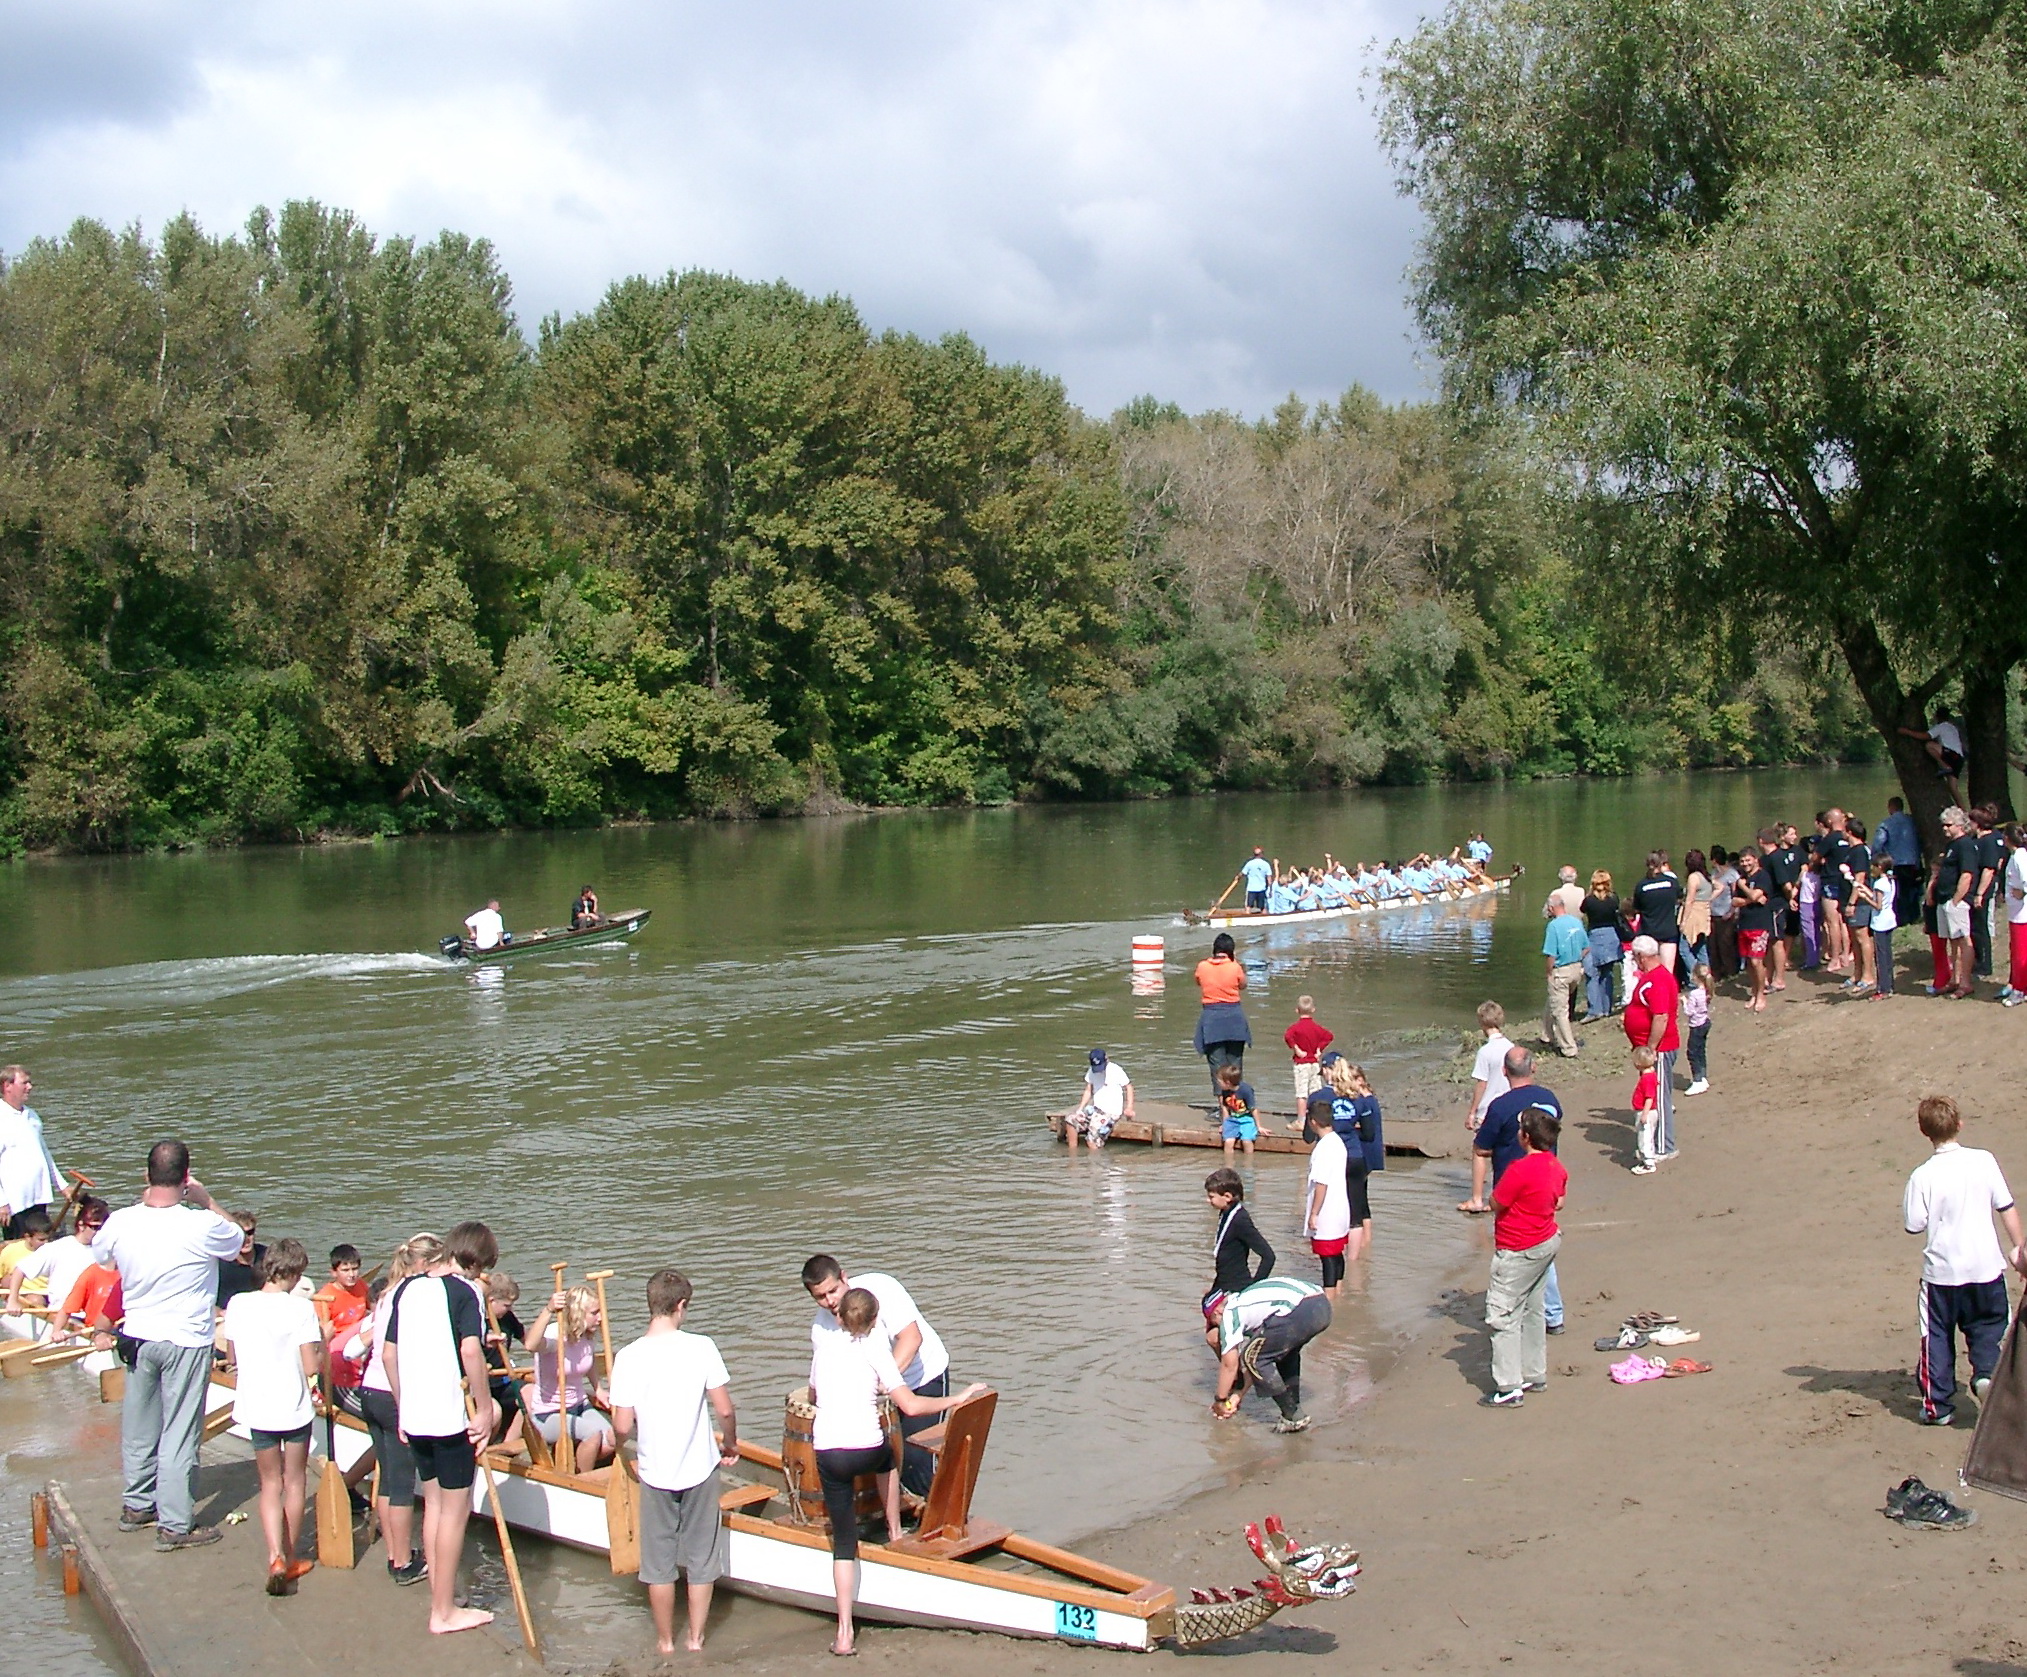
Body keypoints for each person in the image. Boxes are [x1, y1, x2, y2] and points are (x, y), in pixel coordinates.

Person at [810, 1287, 985, 1656]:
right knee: (888, 1458)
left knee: (844, 1543)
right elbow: (911, 1404)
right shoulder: (877, 1351)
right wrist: (957, 1398)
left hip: (828, 1453)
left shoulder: (823, 1349)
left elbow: (813, 1396)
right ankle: (893, 1531)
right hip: (867, 1449)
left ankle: (844, 1633)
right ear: (875, 1321)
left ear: (840, 1317)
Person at [96, 1140, 247, 1550]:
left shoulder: (121, 1221)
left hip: (139, 1336)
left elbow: (102, 1257)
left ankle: (137, 1504)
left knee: (140, 1426)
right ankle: (176, 1525)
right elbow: (238, 1242)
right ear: (185, 1178)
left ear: (147, 1176)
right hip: (185, 1338)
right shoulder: (201, 1223)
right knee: (179, 1433)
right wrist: (207, 1199)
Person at [608, 1269, 741, 1655]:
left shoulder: (629, 1356)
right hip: (699, 1466)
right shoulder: (701, 1347)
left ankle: (665, 1642)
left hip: (654, 1471)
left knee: (658, 1564)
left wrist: (620, 1450)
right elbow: (725, 1410)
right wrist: (730, 1443)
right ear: (681, 1306)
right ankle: (696, 1639)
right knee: (702, 1558)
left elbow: (621, 1424)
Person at [383, 1229, 498, 1635]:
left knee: (432, 1505)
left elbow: (388, 1353)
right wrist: (484, 1410)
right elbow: (471, 1351)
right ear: (477, 1263)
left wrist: (402, 1408)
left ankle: (440, 1593)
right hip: (448, 1420)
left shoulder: (405, 1289)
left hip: (413, 1418)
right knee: (454, 1511)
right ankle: (444, 1612)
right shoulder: (466, 1292)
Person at [1903, 1096, 2026, 1427]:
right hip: (1986, 1269)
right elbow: (2006, 1207)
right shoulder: (1983, 1161)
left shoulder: (1922, 1175)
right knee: (1989, 1330)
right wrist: (2021, 1249)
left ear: (1924, 1131)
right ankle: (1986, 1376)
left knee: (1937, 1337)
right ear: (1959, 1124)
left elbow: (1914, 1223)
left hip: (1942, 1274)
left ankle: (1938, 1406)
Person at [220, 1237, 323, 1595]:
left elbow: (232, 1356)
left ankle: (274, 1555)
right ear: (294, 1274)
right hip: (293, 1408)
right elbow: (311, 1365)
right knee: (295, 1481)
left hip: (257, 1407)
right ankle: (292, 1557)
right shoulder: (300, 1309)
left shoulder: (238, 1304)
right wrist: (323, 1353)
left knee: (269, 1484)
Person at [802, 1255, 950, 1499]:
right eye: (820, 1297)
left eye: (833, 1290)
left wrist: (884, 1384)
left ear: (844, 1277)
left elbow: (911, 1338)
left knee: (918, 1461)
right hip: (880, 1396)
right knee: (884, 1461)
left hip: (922, 1378)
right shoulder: (821, 1329)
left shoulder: (882, 1288)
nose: (830, 1301)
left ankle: (938, 1521)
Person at [1471, 1048, 1568, 1334]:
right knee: (1542, 1242)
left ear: (1504, 1071)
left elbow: (1481, 1146)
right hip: (1548, 1181)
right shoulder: (1550, 1099)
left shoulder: (1500, 1107)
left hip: (1514, 1188)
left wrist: (1482, 1197)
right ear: (1533, 1067)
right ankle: (1552, 1314)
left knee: (1514, 1251)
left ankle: (1517, 1310)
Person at [1482, 1108, 1567, 1407]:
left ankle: (1508, 1386)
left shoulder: (1519, 1170)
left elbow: (1496, 1202)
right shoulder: (1556, 1167)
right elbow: (1560, 1202)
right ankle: (1534, 1372)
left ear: (1526, 1137)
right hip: (1545, 1242)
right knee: (1533, 1308)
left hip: (1518, 1248)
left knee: (1502, 1315)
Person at [356, 1237, 428, 1585]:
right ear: (423, 1265)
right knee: (402, 1483)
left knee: (386, 1477)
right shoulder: (411, 1297)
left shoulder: (386, 1295)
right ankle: (402, 1562)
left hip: (370, 1390)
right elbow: (393, 1354)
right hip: (392, 1392)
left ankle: (392, 1552)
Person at [1206, 1275, 1330, 1433]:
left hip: (1300, 1309)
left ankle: (1293, 1416)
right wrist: (1237, 1396)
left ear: (1217, 1312)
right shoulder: (1246, 1300)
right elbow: (1259, 1355)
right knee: (1284, 1355)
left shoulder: (1230, 1313)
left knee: (1253, 1357)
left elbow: (1230, 1365)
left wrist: (1220, 1400)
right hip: (1321, 1304)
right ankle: (1294, 1409)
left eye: (1213, 1323)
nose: (1218, 1329)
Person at [525, 1283, 617, 1473]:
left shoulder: (586, 1335)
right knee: (593, 1435)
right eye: (594, 1313)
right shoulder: (555, 1335)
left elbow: (588, 1362)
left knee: (614, 1437)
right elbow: (531, 1345)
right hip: (549, 1413)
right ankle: (582, 1480)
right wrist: (548, 1309)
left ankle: (577, 1459)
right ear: (578, 1314)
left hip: (579, 1405)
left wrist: (598, 1389)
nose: (600, 1318)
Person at [312, 1243, 377, 1501]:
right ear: (333, 1272)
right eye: (345, 1270)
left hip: (363, 1370)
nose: (351, 1275)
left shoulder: (362, 1288)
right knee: (382, 1421)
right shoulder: (325, 1299)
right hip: (338, 1377)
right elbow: (318, 1342)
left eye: (355, 1269)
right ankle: (349, 1485)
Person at [4, 1193, 108, 1331]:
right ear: (81, 1225)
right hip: (65, 1317)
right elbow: (20, 1270)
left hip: (98, 1318)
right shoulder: (58, 1248)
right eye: (96, 1228)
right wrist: (13, 1301)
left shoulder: (107, 1252)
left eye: (104, 1228)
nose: (101, 1232)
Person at [1623, 936, 1681, 1162]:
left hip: (1660, 1049)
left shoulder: (1658, 980)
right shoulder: (1652, 978)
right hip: (1649, 1049)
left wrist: (1651, 1049)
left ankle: (1665, 1146)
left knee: (1657, 1097)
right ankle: (1654, 1142)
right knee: (1653, 1094)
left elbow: (1661, 1017)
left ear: (1641, 956)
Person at [1457, 1002, 1514, 1212]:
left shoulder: (1485, 1052)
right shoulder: (1511, 1047)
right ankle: (1502, 1195)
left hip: (1489, 1108)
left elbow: (1482, 1083)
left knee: (1480, 1150)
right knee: (1504, 1152)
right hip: (1510, 1106)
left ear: (1481, 1023)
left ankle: (1477, 1199)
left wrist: (1472, 1111)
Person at [1326, 1058, 1380, 1253]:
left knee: (1345, 1202)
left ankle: (1348, 1244)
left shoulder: (1362, 1101)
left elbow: (1370, 1132)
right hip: (1358, 1155)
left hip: (1347, 1154)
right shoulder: (1363, 1101)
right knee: (1359, 1203)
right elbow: (1369, 1132)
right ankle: (1361, 1250)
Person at [0, 1065, 60, 1240]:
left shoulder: (32, 1116)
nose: (30, 1087)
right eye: (24, 1083)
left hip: (38, 1196)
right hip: (14, 1204)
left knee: (40, 1246)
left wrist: (62, 1186)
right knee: (18, 1251)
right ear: (7, 1086)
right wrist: (2, 1203)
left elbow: (44, 1154)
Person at [1302, 1095, 1353, 1294]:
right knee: (1337, 1253)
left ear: (1313, 1122)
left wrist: (1314, 1213)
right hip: (1341, 1209)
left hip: (1327, 1212)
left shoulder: (1323, 1148)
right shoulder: (1338, 1141)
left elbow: (1321, 1183)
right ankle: (1339, 1290)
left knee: (1327, 1257)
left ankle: (1330, 1296)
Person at [1930, 806, 1981, 998]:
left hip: (1956, 900)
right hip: (1944, 899)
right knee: (1953, 941)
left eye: (1948, 825)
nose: (1944, 828)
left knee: (1962, 939)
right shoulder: (1951, 845)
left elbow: (1967, 875)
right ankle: (1954, 979)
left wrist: (1956, 900)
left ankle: (1966, 982)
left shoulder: (1965, 845)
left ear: (1959, 825)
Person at [1193, 933, 1251, 1099]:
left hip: (1212, 1020)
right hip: (1234, 1019)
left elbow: (1198, 981)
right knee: (1235, 1065)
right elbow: (1243, 985)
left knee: (1217, 1066)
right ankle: (1238, 1104)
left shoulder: (1203, 966)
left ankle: (1222, 1108)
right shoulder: (1235, 967)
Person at [1205, 1167, 1275, 1302]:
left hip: (1237, 1290)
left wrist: (1252, 1290)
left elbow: (1268, 1256)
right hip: (1223, 1285)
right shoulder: (1225, 1212)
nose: (1208, 1201)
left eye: (1211, 1197)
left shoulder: (1240, 1220)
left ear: (1227, 1197)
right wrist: (1214, 1289)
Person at [1541, 896, 1586, 1056]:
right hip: (1576, 969)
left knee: (1560, 1011)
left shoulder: (1553, 926)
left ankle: (1569, 1048)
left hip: (1561, 971)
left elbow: (1551, 954)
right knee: (1554, 1000)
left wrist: (1549, 972)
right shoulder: (1576, 922)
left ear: (1552, 908)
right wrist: (1576, 957)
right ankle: (1546, 1035)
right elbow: (1586, 947)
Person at [1065, 1049, 1133, 1149]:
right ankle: (1073, 1156)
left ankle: (1095, 1161)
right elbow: (1088, 1090)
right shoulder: (1091, 1071)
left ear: (1106, 1059)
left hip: (1110, 1112)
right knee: (1071, 1120)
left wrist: (1129, 1107)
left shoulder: (1115, 1070)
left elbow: (1128, 1087)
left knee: (1091, 1139)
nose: (1099, 1070)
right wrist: (1080, 1109)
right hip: (1095, 1109)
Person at [1735, 847, 1777, 1011]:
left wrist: (1743, 888)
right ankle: (1754, 992)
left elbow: (1754, 895)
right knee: (1748, 963)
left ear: (1755, 859)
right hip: (1744, 923)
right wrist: (1750, 899)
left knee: (1756, 960)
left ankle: (1761, 994)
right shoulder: (1744, 878)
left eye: (1748, 860)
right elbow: (1735, 901)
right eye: (1742, 861)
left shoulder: (1762, 876)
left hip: (1759, 924)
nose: (1745, 864)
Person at [1878, 797, 1925, 937]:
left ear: (1890, 807)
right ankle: (1914, 916)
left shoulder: (1886, 824)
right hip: (1913, 862)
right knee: (1913, 891)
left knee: (1898, 893)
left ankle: (1901, 919)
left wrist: (1879, 859)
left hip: (1896, 863)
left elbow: (1878, 844)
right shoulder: (1912, 822)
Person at [1581, 870, 1624, 1019]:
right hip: (1611, 935)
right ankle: (1607, 1008)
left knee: (1592, 973)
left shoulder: (1589, 900)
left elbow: (1583, 911)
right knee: (1607, 973)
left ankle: (1595, 1009)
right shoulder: (1614, 899)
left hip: (1595, 935)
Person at [1631, 850, 1683, 972]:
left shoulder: (1641, 886)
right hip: (1668, 931)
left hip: (1649, 931)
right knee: (1667, 971)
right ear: (1661, 864)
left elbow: (1637, 908)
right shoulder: (1671, 883)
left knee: (1650, 972)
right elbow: (1679, 899)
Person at [1284, 996, 1334, 1116]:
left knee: (1301, 1094)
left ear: (1297, 1010)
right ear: (1313, 1010)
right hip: (1315, 1064)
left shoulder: (1295, 1028)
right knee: (1315, 1091)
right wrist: (1319, 1049)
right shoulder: (1316, 1028)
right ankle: (1316, 1117)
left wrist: (1296, 1049)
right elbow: (1329, 1036)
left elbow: (1287, 1036)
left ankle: (1301, 1120)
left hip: (1302, 1063)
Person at [1899, 712, 1966, 803]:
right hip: (1959, 759)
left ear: (1938, 718)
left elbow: (1925, 736)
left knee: (1929, 745)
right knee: (1952, 787)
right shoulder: (1953, 728)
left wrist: (1907, 732)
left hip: (1951, 755)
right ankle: (1963, 811)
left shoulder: (1942, 726)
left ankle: (1944, 766)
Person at [1971, 805, 2005, 983]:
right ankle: (1976, 960)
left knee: (1981, 928)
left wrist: (1980, 893)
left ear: (1978, 823)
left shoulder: (1989, 841)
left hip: (1982, 890)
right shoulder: (1976, 840)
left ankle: (1985, 964)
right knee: (1974, 928)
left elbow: (1989, 869)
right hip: (1974, 890)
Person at [1863, 851, 1900, 1000]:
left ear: (1879, 867)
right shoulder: (1890, 881)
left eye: (1873, 866)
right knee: (1887, 955)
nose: (1871, 869)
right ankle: (1889, 986)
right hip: (1889, 919)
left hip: (1880, 923)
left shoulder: (1879, 883)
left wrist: (1865, 897)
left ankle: (1883, 989)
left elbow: (1877, 905)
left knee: (1881, 957)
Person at [215, 1211, 266, 1307]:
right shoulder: (220, 1265)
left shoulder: (267, 1256)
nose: (246, 1239)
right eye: (241, 1233)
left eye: (250, 1233)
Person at [2002, 824, 2027, 1008]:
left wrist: (2024, 892)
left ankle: (2019, 989)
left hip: (2021, 914)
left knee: (2020, 954)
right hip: (2014, 912)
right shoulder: (2015, 856)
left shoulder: (2020, 857)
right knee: (2017, 951)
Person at [1707, 847, 1741, 980]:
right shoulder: (1713, 874)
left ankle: (1731, 970)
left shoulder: (1732, 874)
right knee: (1713, 945)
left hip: (1726, 913)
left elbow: (1735, 894)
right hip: (1713, 913)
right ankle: (1717, 972)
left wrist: (1732, 911)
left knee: (1726, 944)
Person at [1679, 849, 1714, 972]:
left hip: (1693, 915)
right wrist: (1709, 899)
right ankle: (1707, 976)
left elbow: (1690, 900)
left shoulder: (1693, 877)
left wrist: (1683, 921)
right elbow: (1720, 886)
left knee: (1684, 949)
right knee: (1700, 948)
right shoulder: (1707, 877)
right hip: (1704, 914)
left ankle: (1698, 977)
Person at [1215, 1061, 1258, 1162]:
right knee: (1228, 1142)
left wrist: (1258, 1126)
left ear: (1228, 1083)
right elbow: (1225, 1108)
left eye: (1219, 1081)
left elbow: (1254, 1109)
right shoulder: (1225, 1091)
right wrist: (1224, 1124)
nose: (1217, 1082)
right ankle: (1228, 1164)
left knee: (1246, 1141)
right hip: (1232, 1119)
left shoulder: (1246, 1090)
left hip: (1246, 1119)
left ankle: (1248, 1165)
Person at [1682, 962, 1714, 1096]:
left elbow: (1689, 1012)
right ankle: (1703, 1076)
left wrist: (1684, 1001)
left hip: (1696, 1026)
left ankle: (1697, 1080)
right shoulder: (1707, 991)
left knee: (1692, 1053)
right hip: (1705, 1023)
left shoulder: (1694, 994)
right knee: (1701, 1051)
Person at [1628, 1044, 1661, 1174]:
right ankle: (1649, 1157)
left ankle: (1648, 1163)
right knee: (1649, 1136)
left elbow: (1649, 1097)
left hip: (1645, 1111)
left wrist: (1644, 1114)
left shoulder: (1647, 1078)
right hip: (1650, 1111)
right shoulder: (1651, 1074)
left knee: (1644, 1137)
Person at [1239, 848, 1273, 913]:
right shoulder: (1266, 864)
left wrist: (1238, 877)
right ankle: (1265, 919)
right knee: (1262, 907)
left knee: (1248, 906)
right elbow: (1269, 879)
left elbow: (1243, 873)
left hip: (1251, 888)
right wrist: (1270, 890)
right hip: (1261, 889)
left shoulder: (1249, 863)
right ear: (1261, 854)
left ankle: (1247, 918)